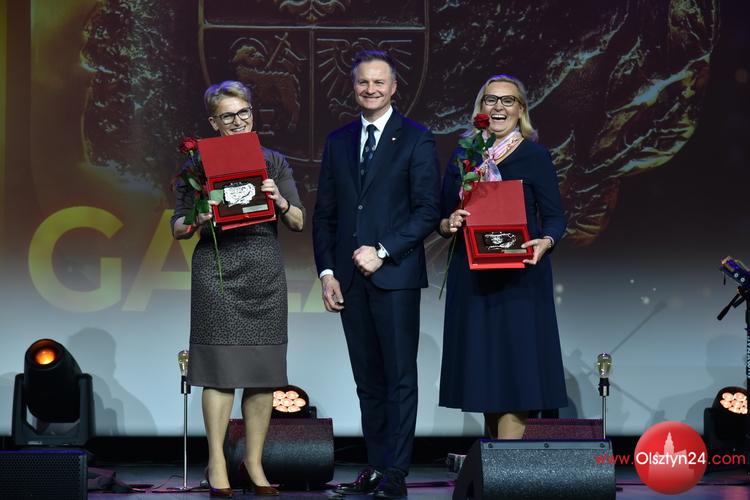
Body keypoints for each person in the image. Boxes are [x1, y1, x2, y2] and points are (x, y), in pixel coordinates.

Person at [312, 51, 441, 498]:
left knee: (399, 378)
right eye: (363, 82)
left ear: (394, 88)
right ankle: (377, 465)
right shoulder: (339, 140)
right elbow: (325, 215)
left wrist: (383, 250)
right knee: (367, 381)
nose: (371, 89)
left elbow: (428, 211)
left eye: (379, 82)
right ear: (354, 87)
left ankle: (396, 474)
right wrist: (327, 272)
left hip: (395, 277)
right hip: (348, 281)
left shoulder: (417, 139)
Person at [171, 80, 304, 498]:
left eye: (243, 112)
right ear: (213, 122)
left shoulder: (273, 161)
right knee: (221, 373)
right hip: (218, 272)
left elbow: (298, 221)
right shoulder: (196, 165)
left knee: (264, 375)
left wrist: (280, 201)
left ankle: (253, 462)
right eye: (227, 116)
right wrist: (199, 217)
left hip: (263, 271)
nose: (237, 121)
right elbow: (178, 227)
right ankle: (216, 463)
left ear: (252, 113)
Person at [437, 74, 568, 440]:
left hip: (520, 277)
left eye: (508, 100)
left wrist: (546, 241)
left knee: (516, 372)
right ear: (480, 109)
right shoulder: (464, 155)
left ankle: (506, 463)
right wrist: (449, 223)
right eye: (490, 100)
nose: (498, 107)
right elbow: (442, 215)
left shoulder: (535, 156)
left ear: (521, 110)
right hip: (474, 277)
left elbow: (555, 216)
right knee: (485, 373)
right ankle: (493, 460)